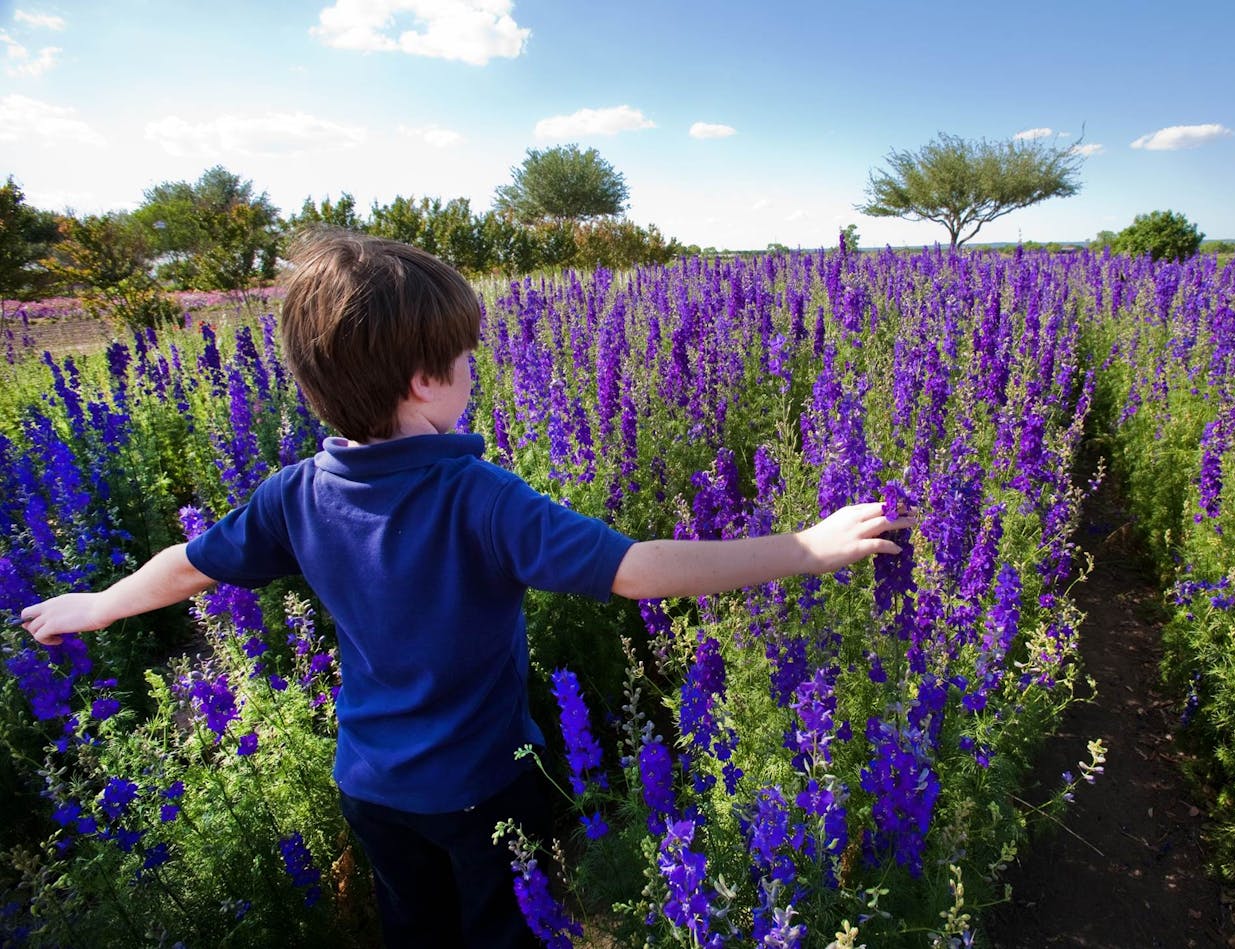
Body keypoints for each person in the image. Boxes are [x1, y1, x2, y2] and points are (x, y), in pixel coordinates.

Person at [19, 230, 913, 948]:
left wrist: (95, 603)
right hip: (485, 783)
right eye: (465, 355)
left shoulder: (293, 493)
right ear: (424, 380)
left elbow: (190, 564)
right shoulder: (478, 497)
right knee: (507, 924)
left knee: (413, 925)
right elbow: (637, 570)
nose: (476, 368)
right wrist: (804, 545)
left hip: (369, 784)